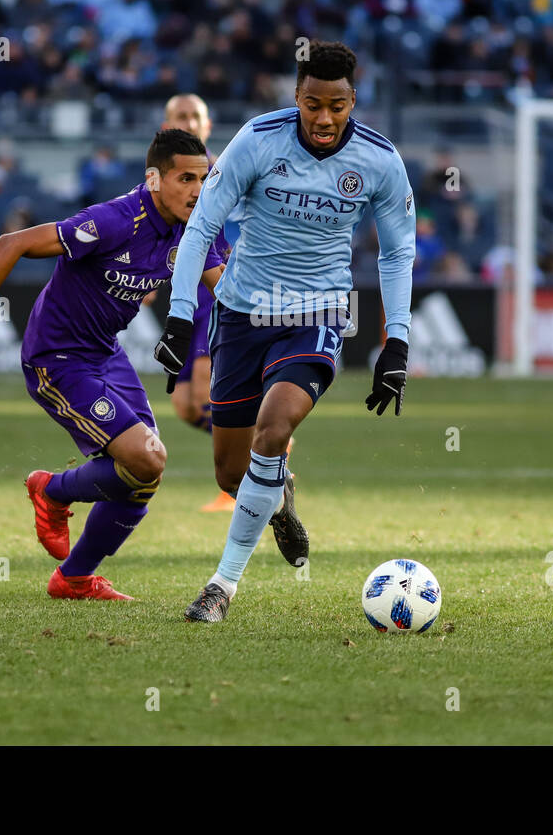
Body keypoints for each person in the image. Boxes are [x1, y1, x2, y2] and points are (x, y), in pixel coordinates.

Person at [154, 40, 415, 623]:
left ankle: (220, 588)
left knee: (273, 431)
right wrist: (177, 315)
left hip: (315, 314)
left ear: (353, 100)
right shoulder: (257, 140)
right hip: (242, 314)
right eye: (314, 103)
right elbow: (200, 228)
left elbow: (398, 254)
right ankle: (278, 499)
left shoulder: (379, 160)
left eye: (338, 105)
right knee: (230, 470)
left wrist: (395, 340)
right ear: (296, 95)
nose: (325, 118)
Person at [0, 129, 225, 601]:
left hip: (105, 352)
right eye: (186, 178)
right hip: (56, 358)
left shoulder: (196, 224)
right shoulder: (115, 220)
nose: (198, 190)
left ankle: (74, 577)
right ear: (154, 179)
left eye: (204, 178)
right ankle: (53, 490)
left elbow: (225, 287)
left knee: (145, 474)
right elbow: (9, 244)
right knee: (146, 457)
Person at [159, 92, 241, 512]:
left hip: (214, 292)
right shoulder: (164, 172)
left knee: (211, 394)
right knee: (185, 406)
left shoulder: (221, 169)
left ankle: (244, 478)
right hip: (185, 297)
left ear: (207, 127)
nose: (190, 122)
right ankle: (263, 442)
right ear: (166, 125)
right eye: (181, 116)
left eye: (196, 116)